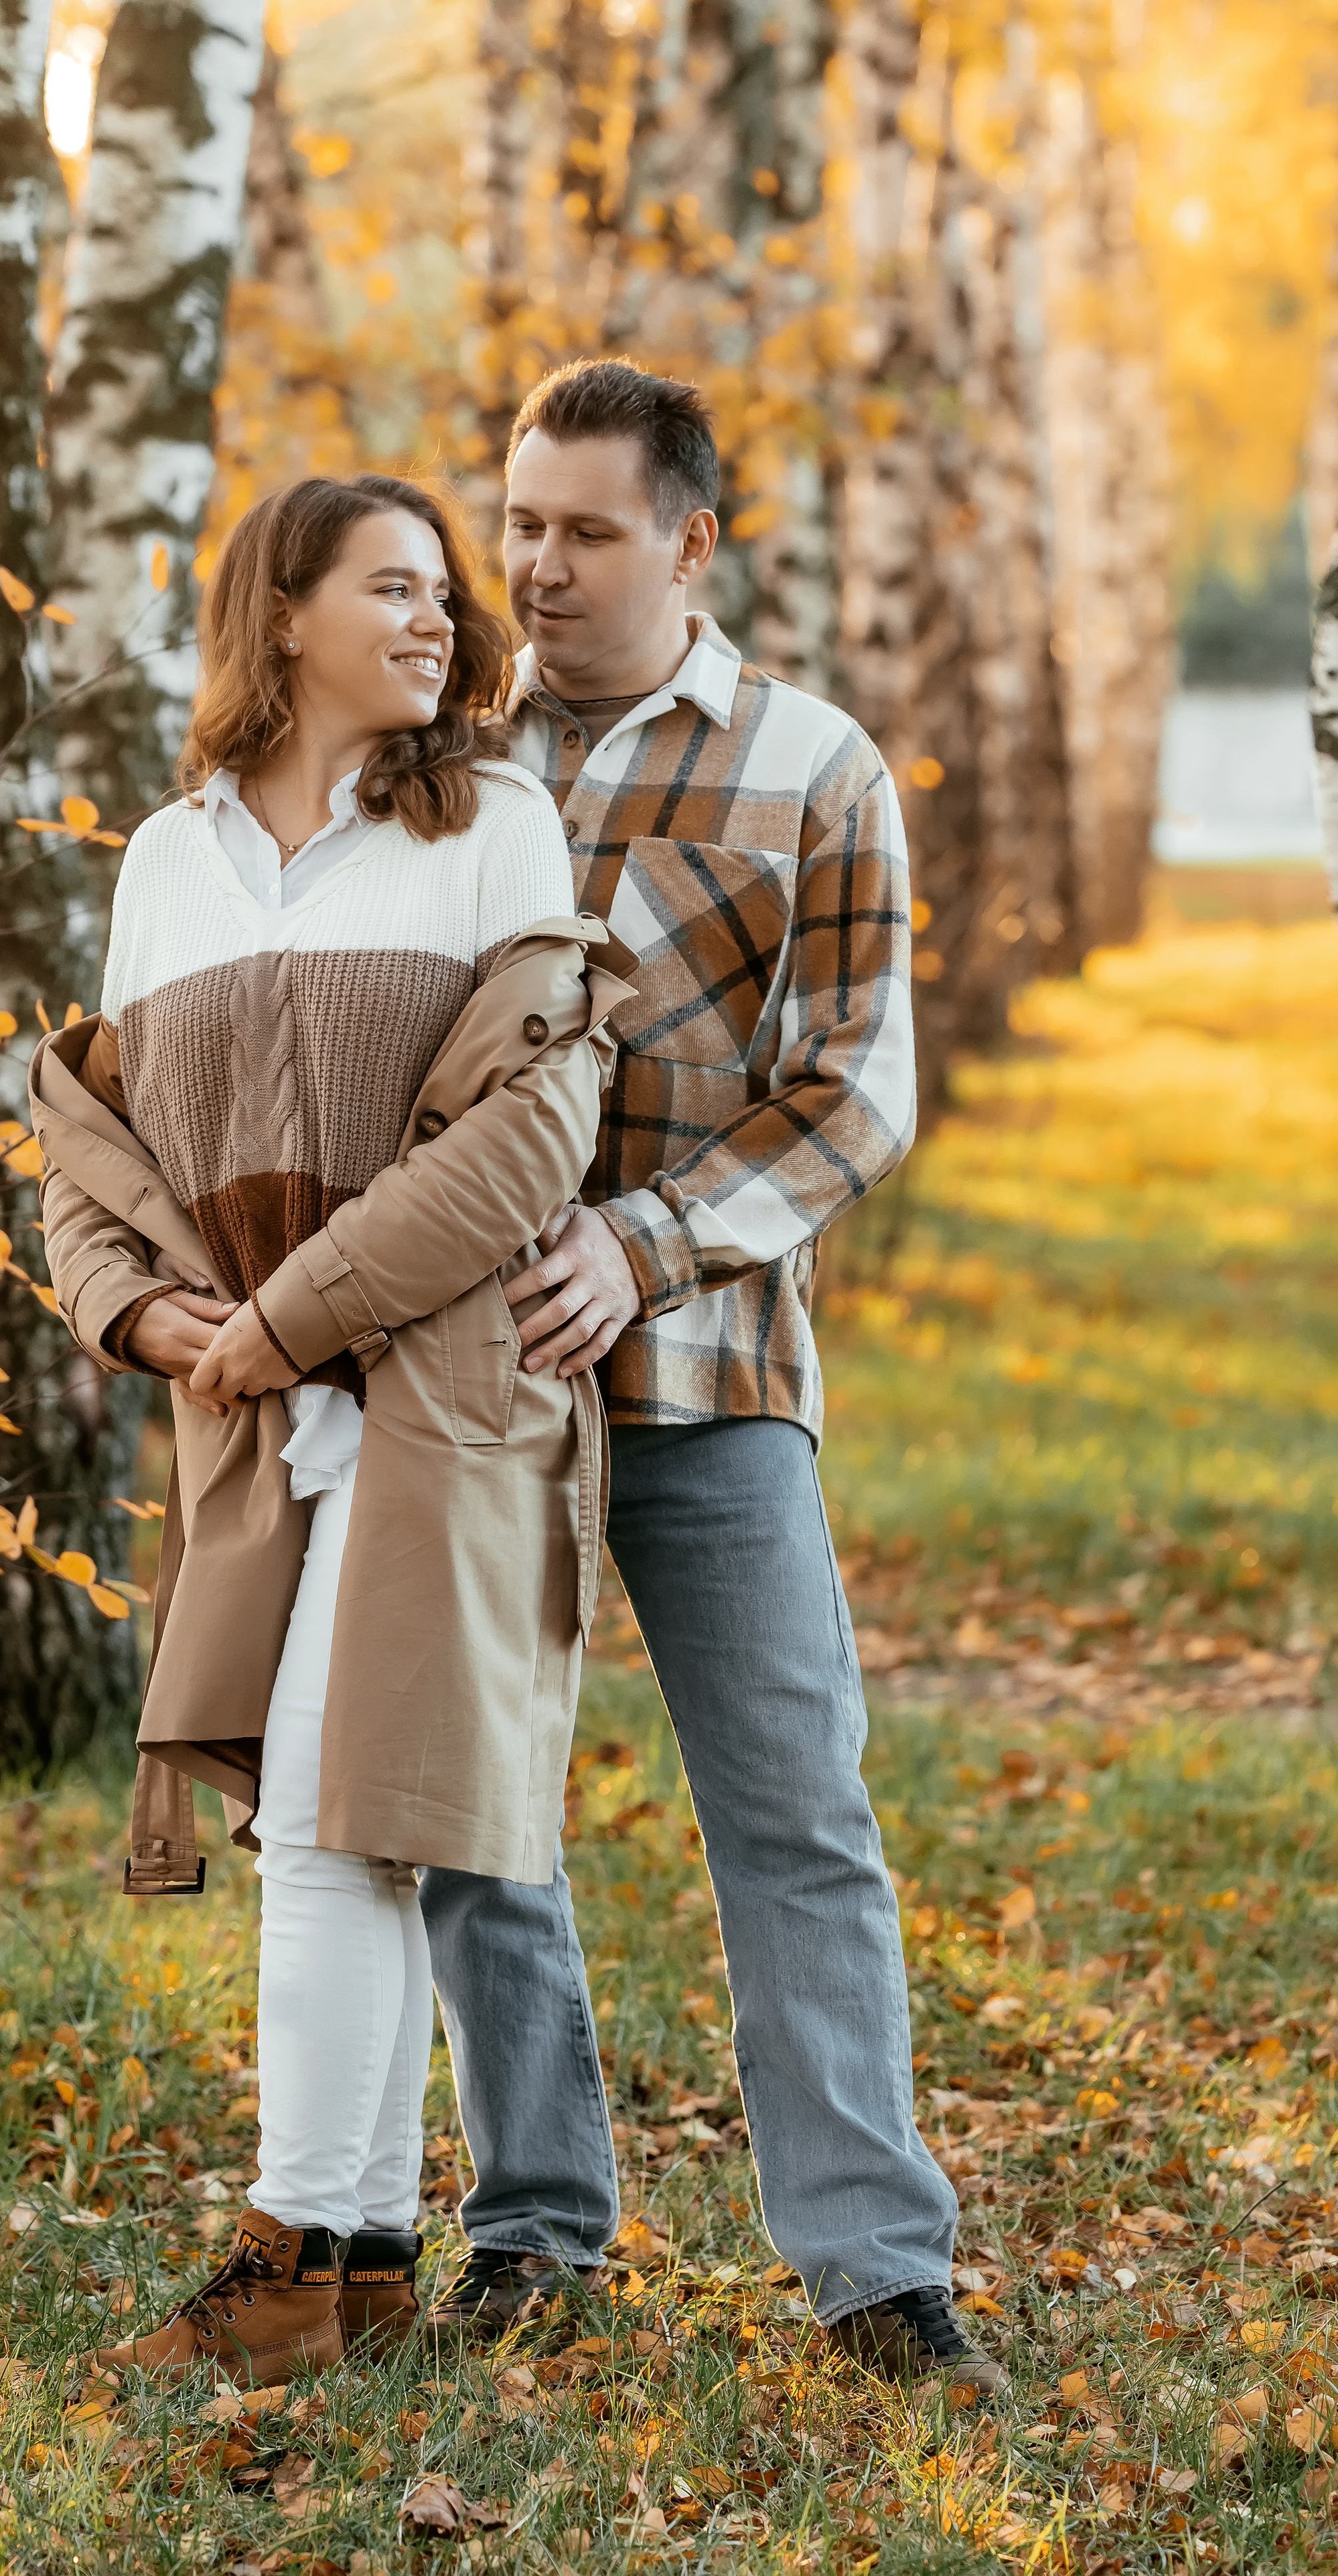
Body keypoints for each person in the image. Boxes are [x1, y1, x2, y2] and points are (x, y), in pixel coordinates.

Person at [417, 360, 1006, 2397]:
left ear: (691, 538)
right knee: (476, 1810)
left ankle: (875, 2274)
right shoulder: (437, 764)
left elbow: (855, 1100)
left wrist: (639, 1242)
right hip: (464, 1389)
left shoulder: (814, 769)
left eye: (583, 530)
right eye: (518, 524)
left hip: (713, 1372)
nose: (535, 567)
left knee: (795, 1814)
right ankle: (533, 2229)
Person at [28, 473, 630, 2386]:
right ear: (278, 615)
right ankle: (356, 2265)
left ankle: (297, 2252)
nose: (444, 616)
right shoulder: (165, 863)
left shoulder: (494, 826)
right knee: (339, 1835)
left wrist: (285, 1318)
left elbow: (530, 1141)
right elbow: (89, 1166)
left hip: (440, 1406)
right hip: (250, 1439)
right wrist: (140, 1312)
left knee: (330, 1829)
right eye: (393, 585)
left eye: (444, 591)